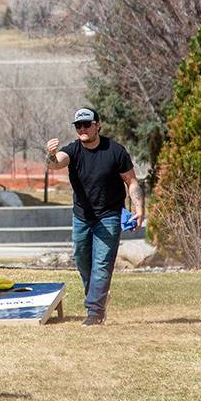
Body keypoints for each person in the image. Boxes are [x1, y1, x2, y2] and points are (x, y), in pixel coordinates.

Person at [45, 107, 144, 326]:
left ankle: (95, 311)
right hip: (81, 216)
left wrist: (139, 209)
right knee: (82, 260)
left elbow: (132, 181)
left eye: (87, 124)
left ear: (97, 125)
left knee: (102, 263)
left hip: (109, 215)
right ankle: (98, 296)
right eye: (78, 126)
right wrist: (50, 155)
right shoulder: (72, 150)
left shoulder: (115, 151)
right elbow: (56, 163)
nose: (82, 129)